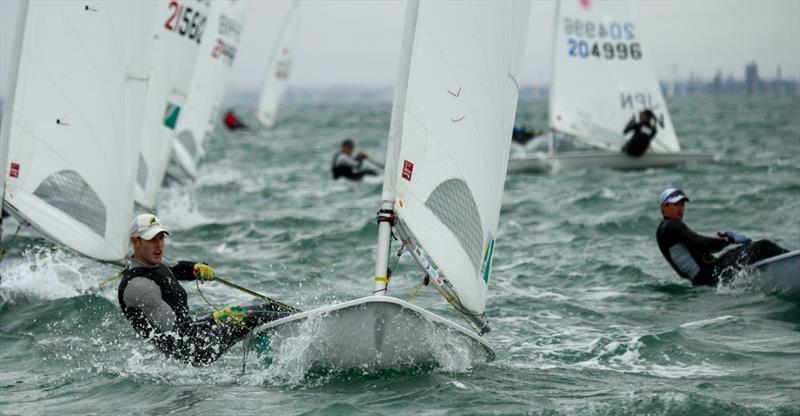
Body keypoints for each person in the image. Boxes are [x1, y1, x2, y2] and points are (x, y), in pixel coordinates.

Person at [117, 214, 290, 366]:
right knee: (252, 316)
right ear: (135, 242)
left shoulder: (153, 263)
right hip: (193, 350)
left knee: (268, 307)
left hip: (197, 334)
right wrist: (215, 318)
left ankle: (293, 334)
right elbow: (178, 334)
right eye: (151, 239)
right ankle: (297, 343)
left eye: (161, 237)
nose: (159, 244)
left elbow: (176, 267)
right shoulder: (139, 287)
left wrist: (196, 268)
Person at [655, 188, 788, 286]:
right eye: (675, 204)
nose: (680, 209)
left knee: (749, 251)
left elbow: (697, 247)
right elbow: (702, 243)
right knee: (762, 246)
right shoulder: (672, 226)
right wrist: (729, 240)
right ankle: (793, 259)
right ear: (664, 206)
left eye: (682, 204)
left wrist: (719, 240)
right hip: (711, 276)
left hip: (707, 277)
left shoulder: (666, 230)